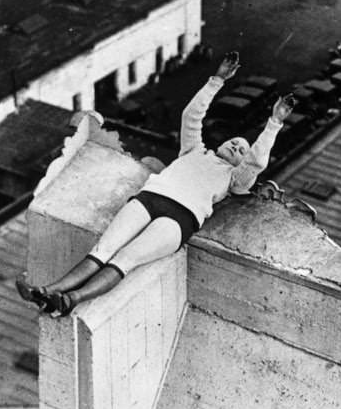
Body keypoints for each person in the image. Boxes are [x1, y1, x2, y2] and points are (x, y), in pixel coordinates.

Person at [16, 52, 294, 317]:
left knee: (125, 259)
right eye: (234, 141)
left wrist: (274, 123)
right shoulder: (193, 150)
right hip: (149, 198)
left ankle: (70, 300)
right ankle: (46, 291)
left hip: (180, 218)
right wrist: (216, 81)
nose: (237, 146)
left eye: (242, 150)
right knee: (102, 249)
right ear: (221, 142)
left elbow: (256, 162)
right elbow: (191, 117)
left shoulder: (235, 179)